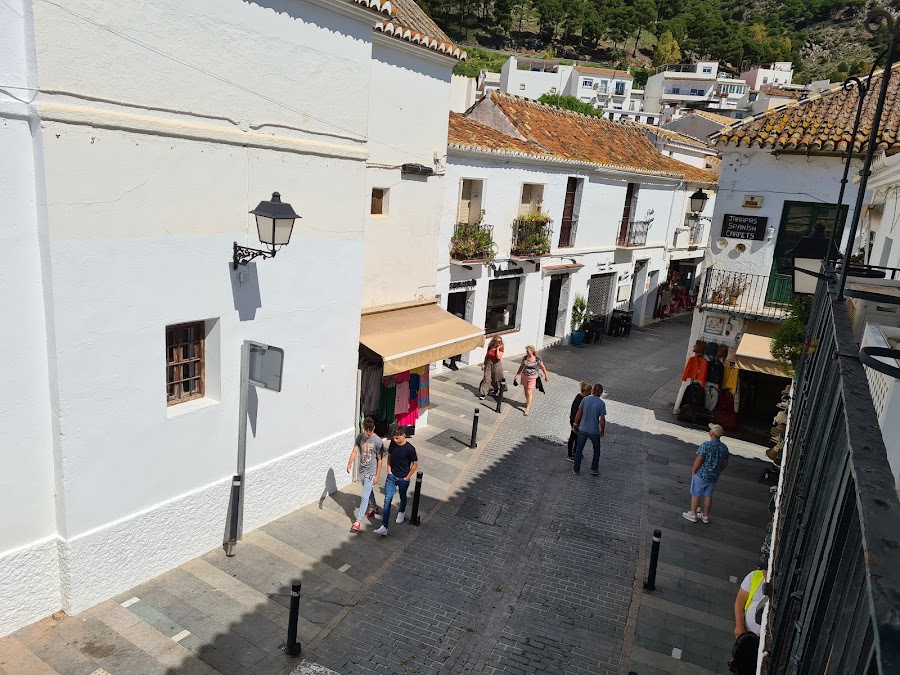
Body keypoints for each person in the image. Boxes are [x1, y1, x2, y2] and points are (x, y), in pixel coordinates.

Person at [374, 424, 419, 536]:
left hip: (403, 478)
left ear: (403, 435)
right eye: (394, 437)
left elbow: (415, 463)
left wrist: (407, 477)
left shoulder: (410, 449)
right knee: (387, 499)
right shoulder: (393, 443)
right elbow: (389, 456)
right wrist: (389, 470)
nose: (395, 440)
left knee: (402, 496)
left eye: (397, 438)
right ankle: (384, 526)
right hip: (392, 477)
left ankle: (401, 512)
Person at [683, 423, 730, 523]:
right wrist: (718, 470)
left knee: (696, 494)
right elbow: (725, 462)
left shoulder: (706, 445)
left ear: (712, 433)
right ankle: (705, 516)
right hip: (713, 476)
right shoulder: (724, 447)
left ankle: (693, 514)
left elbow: (699, 460)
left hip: (702, 474)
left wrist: (694, 470)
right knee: (708, 495)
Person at [345, 417, 383, 532]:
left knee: (365, 496)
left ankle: (358, 520)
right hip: (362, 470)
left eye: (371, 430)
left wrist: (377, 476)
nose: (369, 433)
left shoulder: (378, 441)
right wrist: (350, 463)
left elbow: (380, 460)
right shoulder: (360, 437)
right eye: (367, 430)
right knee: (368, 490)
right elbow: (354, 451)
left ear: (374, 428)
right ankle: (374, 507)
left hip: (371, 472)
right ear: (364, 429)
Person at [729, 568, 766, 674]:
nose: (764, 572)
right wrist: (739, 626)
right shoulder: (755, 576)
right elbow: (739, 601)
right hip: (748, 636)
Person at [572, 384, 606, 476]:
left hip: (582, 429)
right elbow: (602, 419)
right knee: (596, 449)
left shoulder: (585, 399)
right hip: (594, 430)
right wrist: (602, 430)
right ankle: (594, 469)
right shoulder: (601, 403)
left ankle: (576, 469)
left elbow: (579, 413)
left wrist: (575, 424)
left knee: (579, 449)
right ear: (601, 392)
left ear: (593, 390)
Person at [514, 345, 549, 416]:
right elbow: (521, 367)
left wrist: (546, 375)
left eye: (528, 351)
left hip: (532, 378)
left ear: (532, 351)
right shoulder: (525, 358)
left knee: (529, 392)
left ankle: (527, 409)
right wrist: (517, 374)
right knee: (525, 391)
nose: (526, 352)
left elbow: (543, 367)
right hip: (524, 376)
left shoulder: (537, 359)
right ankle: (527, 402)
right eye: (526, 351)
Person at [567, 381, 592, 461]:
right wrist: (575, 423)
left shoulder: (582, 398)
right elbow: (575, 412)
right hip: (575, 421)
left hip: (578, 422)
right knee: (573, 437)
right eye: (589, 392)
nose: (590, 394)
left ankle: (575, 452)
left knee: (577, 438)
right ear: (585, 391)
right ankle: (569, 454)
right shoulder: (579, 399)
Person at [478, 336, 505, 400]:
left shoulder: (501, 348)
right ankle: (483, 393)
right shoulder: (490, 346)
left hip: (497, 363)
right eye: (498, 341)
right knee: (487, 377)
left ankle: (497, 390)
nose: (500, 342)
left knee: (497, 377)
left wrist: (497, 349)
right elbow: (487, 355)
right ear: (494, 341)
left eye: (500, 341)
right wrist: (484, 363)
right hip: (489, 362)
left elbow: (498, 357)